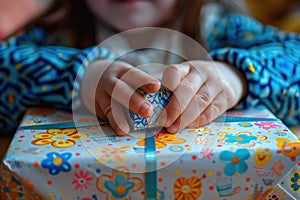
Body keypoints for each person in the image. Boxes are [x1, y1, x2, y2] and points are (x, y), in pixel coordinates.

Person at [0, 0, 299, 137]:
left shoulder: (217, 23)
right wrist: (80, 76)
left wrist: (236, 77)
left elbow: (293, 53)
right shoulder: (59, 30)